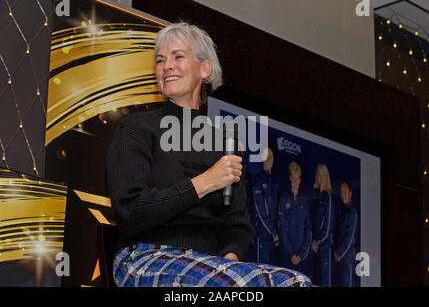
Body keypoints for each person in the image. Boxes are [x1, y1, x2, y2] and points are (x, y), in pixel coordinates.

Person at [107, 22, 311, 287]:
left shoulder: (225, 144)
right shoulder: (137, 129)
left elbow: (237, 223)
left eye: (177, 56)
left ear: (205, 69)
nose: (167, 65)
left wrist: (229, 259)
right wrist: (205, 182)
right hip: (145, 257)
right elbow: (129, 211)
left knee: (297, 282)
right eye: (160, 60)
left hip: (210, 266)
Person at [277, 162, 311, 274]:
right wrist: (290, 254)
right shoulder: (284, 199)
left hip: (301, 258)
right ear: (290, 178)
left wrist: (301, 255)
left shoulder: (304, 202)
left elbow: (308, 229)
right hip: (287, 256)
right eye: (293, 178)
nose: (295, 182)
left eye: (297, 178)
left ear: (300, 179)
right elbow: (281, 228)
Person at [252, 147, 280, 264]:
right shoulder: (259, 180)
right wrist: (273, 232)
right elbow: (260, 211)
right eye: (266, 156)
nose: (269, 159)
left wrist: (277, 233)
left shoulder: (274, 181)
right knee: (261, 272)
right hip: (263, 236)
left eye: (271, 156)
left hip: (274, 238)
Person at [311, 164, 334, 287]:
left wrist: (317, 242)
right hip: (314, 249)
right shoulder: (315, 197)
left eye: (323, 174)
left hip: (324, 248)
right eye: (319, 174)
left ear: (327, 177)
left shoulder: (328, 197)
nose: (321, 177)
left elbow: (328, 225)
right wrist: (312, 242)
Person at [334, 181, 358, 287]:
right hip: (339, 260)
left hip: (347, 259)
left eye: (345, 191)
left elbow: (350, 237)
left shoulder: (352, 212)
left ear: (350, 193)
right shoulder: (342, 211)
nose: (343, 194)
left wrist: (339, 253)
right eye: (341, 192)